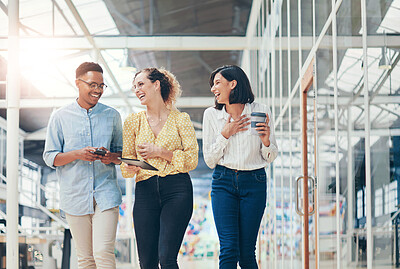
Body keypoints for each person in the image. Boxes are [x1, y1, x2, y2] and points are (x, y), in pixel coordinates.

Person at [43, 62, 123, 268]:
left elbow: (121, 154)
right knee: (85, 258)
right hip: (75, 195)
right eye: (92, 84)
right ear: (78, 83)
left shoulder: (112, 115)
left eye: (101, 86)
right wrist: (77, 154)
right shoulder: (60, 117)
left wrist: (110, 156)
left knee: (102, 252)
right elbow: (50, 157)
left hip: (105, 194)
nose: (97, 90)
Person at [120, 67, 198, 268]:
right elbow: (126, 165)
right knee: (146, 262)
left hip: (177, 190)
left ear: (156, 85)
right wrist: (129, 167)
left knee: (167, 258)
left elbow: (192, 160)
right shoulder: (132, 122)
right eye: (134, 86)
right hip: (145, 191)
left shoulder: (181, 119)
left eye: (140, 84)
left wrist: (160, 152)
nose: (136, 90)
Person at [202, 65, 278, 268]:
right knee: (228, 248)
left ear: (233, 83)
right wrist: (225, 134)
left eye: (217, 83)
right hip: (223, 182)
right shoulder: (212, 115)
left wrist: (266, 140)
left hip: (254, 182)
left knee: (246, 252)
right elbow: (210, 160)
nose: (213, 89)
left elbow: (269, 157)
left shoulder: (260, 111)